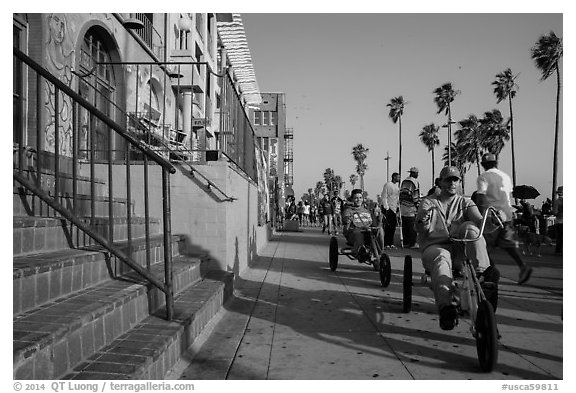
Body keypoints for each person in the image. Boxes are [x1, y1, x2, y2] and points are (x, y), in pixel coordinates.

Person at [416, 166, 499, 330]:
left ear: (459, 182)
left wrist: (493, 221)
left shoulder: (465, 202)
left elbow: (480, 223)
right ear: (440, 182)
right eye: (448, 179)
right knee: (441, 257)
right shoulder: (428, 202)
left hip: (460, 252)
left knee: (470, 227)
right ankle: (446, 307)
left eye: (456, 179)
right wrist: (423, 221)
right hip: (435, 247)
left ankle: (483, 274)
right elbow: (419, 229)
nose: (452, 183)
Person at [475, 153, 532, 284]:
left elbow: (481, 198)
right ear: (496, 163)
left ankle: (490, 271)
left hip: (492, 217)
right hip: (507, 214)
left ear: (483, 165)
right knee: (508, 244)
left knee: (483, 246)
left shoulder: (483, 177)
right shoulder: (505, 176)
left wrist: (479, 218)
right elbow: (508, 194)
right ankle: (523, 266)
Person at [342, 188, 384, 259]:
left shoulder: (367, 211)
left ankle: (380, 251)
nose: (358, 200)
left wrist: (379, 217)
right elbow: (345, 220)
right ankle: (360, 251)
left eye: (360, 198)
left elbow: (374, 222)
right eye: (356, 198)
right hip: (354, 232)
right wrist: (348, 220)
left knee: (380, 230)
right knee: (358, 233)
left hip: (368, 232)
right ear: (352, 199)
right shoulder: (348, 211)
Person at [399, 167, 421, 248]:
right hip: (410, 208)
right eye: (417, 173)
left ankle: (405, 242)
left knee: (405, 226)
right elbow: (415, 196)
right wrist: (417, 206)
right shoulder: (415, 182)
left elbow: (401, 194)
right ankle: (412, 243)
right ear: (414, 173)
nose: (418, 175)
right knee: (412, 226)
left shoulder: (404, 181)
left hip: (403, 207)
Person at [381, 172, 400, 249]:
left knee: (393, 227)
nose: (399, 178)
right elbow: (384, 196)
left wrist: (398, 206)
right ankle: (386, 243)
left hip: (394, 209)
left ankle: (391, 242)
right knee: (388, 227)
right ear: (394, 177)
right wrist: (386, 207)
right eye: (398, 177)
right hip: (388, 208)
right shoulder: (388, 185)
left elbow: (397, 198)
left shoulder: (397, 187)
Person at [552, 186, 563, 254]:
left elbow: (555, 212)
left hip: (560, 221)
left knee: (560, 237)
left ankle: (559, 250)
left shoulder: (557, 201)